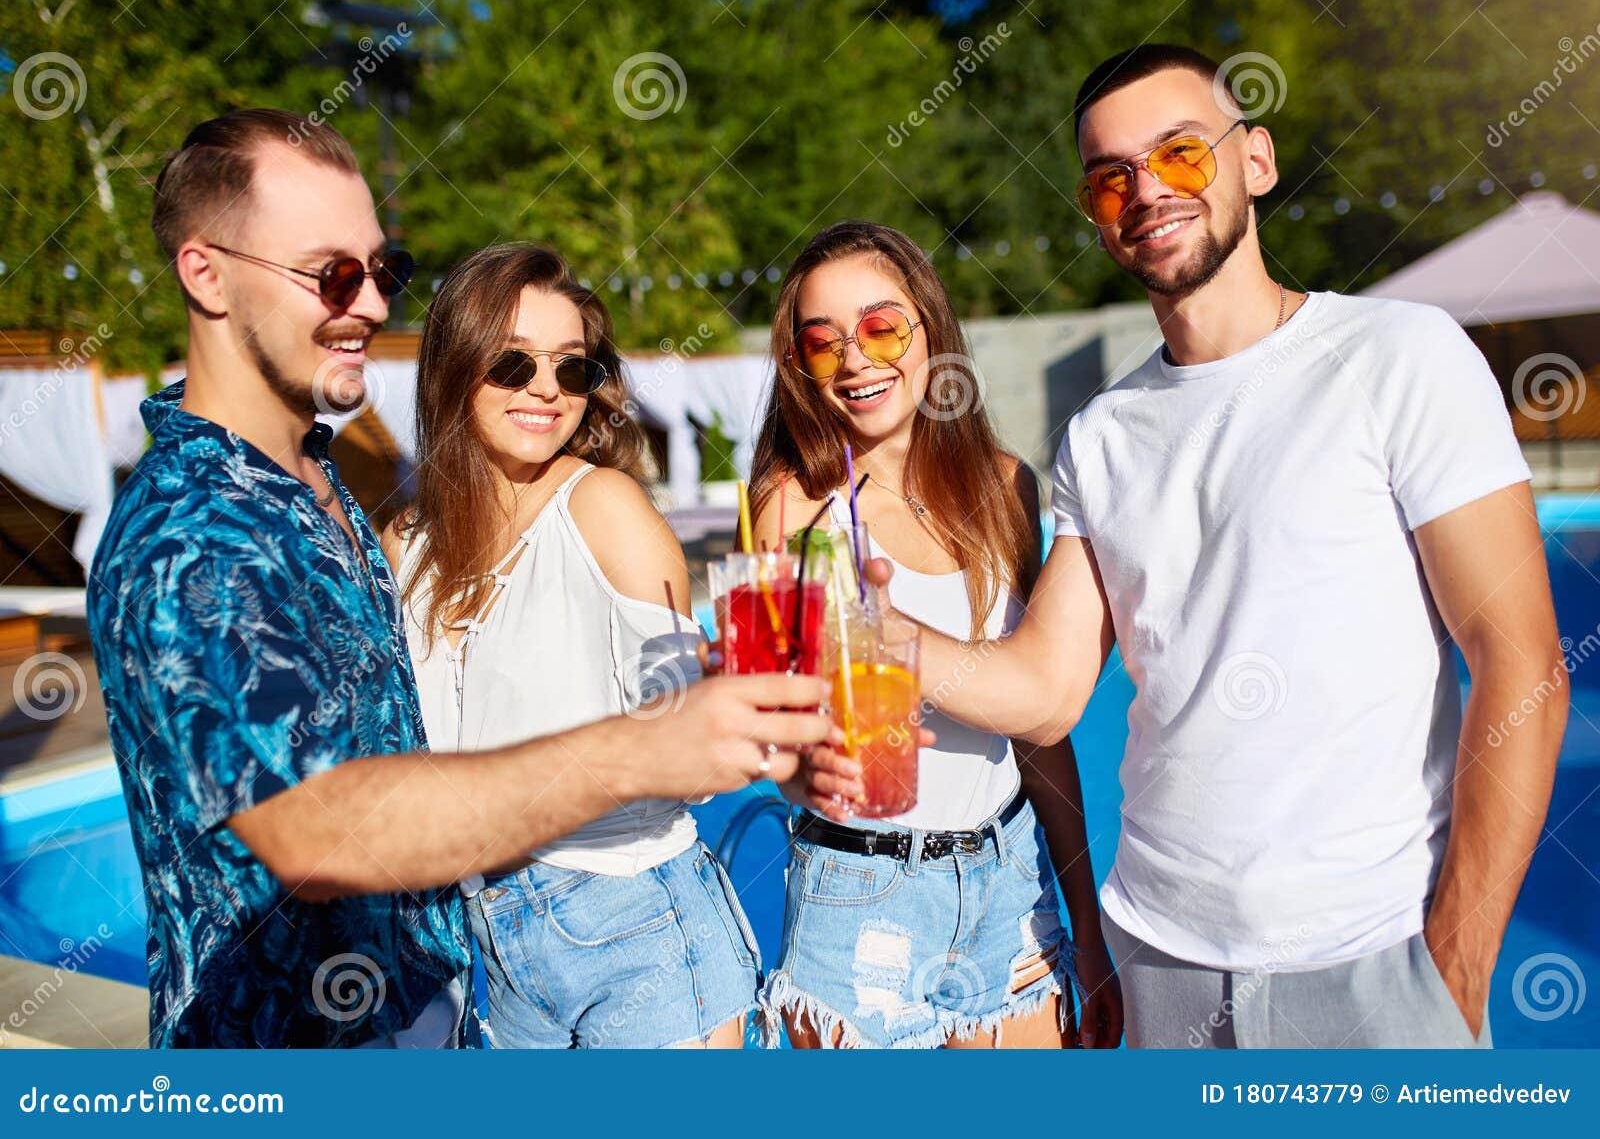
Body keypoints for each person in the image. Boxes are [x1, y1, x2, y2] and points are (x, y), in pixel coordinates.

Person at [86, 109, 833, 1048]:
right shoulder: (193, 533)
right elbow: (315, 825)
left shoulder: (324, 495)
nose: (367, 303)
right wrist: (643, 748)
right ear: (206, 273)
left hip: (491, 989)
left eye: (380, 270)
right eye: (330, 273)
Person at [871, 44, 1566, 1048]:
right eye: (1111, 177)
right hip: (1163, 959)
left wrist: (1453, 963)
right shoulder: (1102, 434)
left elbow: (1520, 660)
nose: (1146, 189)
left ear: (1256, 161)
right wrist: (876, 630)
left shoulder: (1398, 357)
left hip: (1372, 965)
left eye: (1180, 152)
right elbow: (1047, 688)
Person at [748, 220, 1122, 1049]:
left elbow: (1038, 725)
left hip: (1010, 888)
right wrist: (808, 762)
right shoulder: (794, 506)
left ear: (929, 328)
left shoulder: (1004, 484)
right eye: (823, 343)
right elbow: (769, 727)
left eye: (882, 327)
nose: (855, 360)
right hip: (862, 894)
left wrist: (1086, 924)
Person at [380, 242, 762, 1048]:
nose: (547, 388)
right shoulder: (406, 544)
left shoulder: (604, 508)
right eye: (513, 364)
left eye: (571, 367)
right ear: (453, 369)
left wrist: (711, 700)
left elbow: (685, 742)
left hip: (639, 923)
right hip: (497, 943)